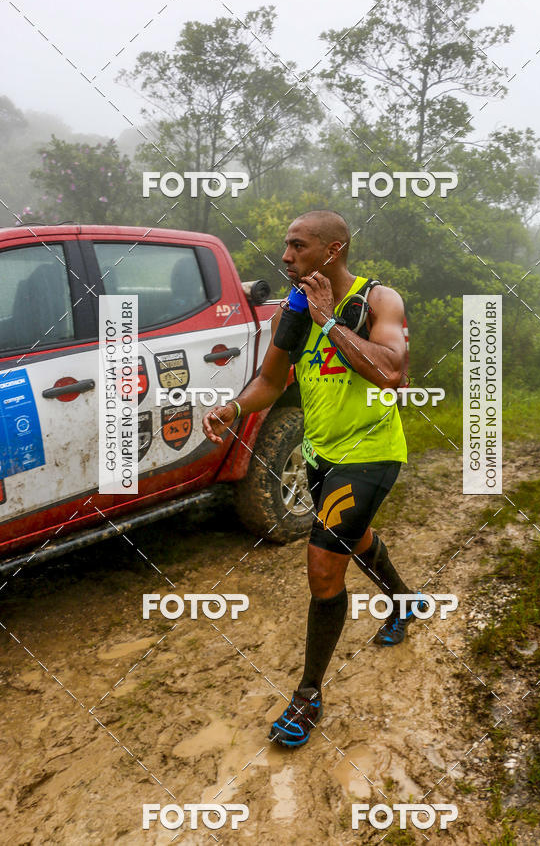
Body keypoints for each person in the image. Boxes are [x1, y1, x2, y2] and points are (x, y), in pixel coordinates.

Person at [202, 210, 422, 748]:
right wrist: (232, 408)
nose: (285, 256)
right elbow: (271, 383)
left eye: (298, 246)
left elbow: (392, 373)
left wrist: (330, 321)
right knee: (352, 535)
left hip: (370, 452)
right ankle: (402, 600)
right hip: (320, 453)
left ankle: (308, 695)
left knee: (324, 568)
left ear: (334, 250)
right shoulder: (292, 314)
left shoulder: (379, 302)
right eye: (285, 246)